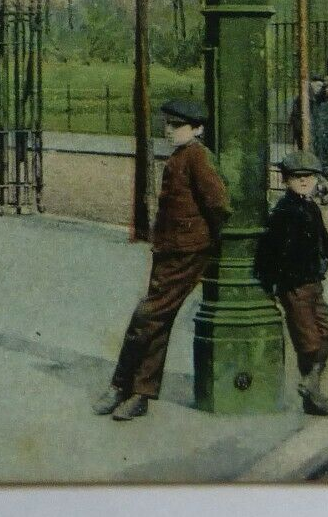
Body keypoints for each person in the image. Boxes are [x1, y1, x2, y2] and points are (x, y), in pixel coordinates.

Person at [94, 99, 229, 421]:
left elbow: (218, 204)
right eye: (167, 125)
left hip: (185, 251)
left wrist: (203, 241)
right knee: (156, 320)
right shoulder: (183, 155)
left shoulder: (196, 156)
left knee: (147, 316)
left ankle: (121, 385)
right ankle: (139, 393)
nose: (169, 131)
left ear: (197, 129)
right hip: (171, 249)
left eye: (176, 125)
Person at [255, 151, 328, 416]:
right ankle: (312, 396)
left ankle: (310, 384)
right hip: (295, 287)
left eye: (310, 177)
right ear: (286, 180)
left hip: (313, 283)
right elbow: (270, 252)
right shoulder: (285, 211)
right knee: (310, 343)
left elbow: (324, 242)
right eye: (298, 177)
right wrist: (278, 282)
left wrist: (322, 265)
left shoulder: (310, 207)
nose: (305, 182)